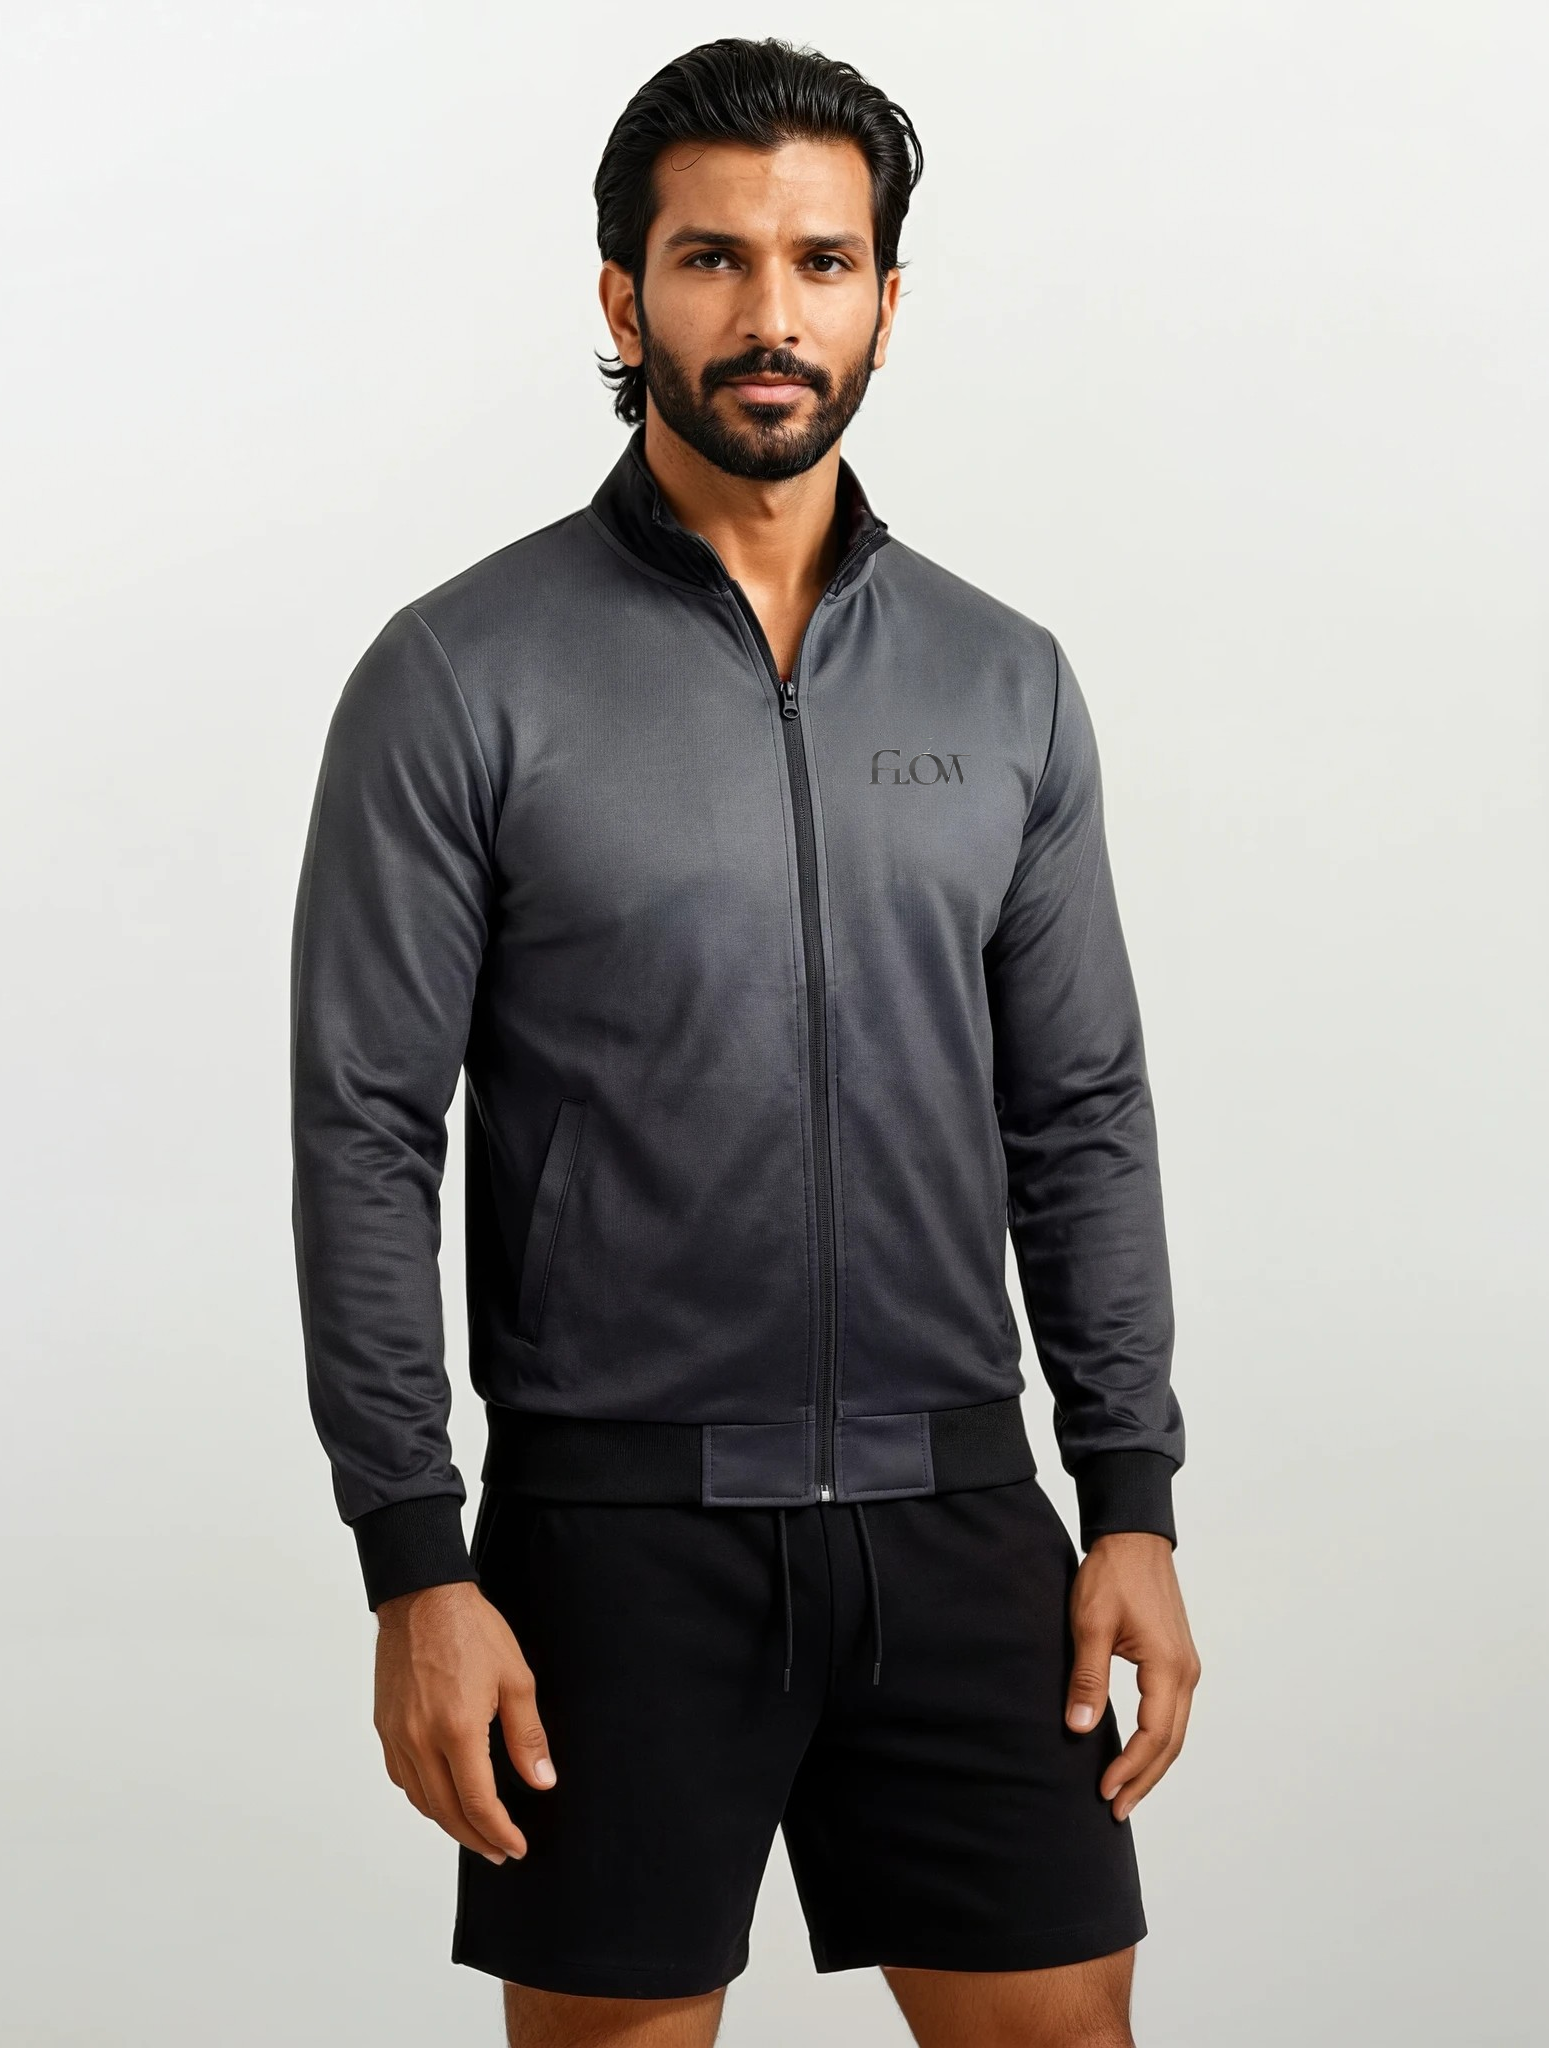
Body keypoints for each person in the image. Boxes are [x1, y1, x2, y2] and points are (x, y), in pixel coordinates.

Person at [289, 35, 1200, 2048]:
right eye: (712, 259)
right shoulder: (461, 674)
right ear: (626, 298)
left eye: (820, 260)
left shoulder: (1003, 680)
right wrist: (411, 1560)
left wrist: (1128, 1495)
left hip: (959, 1516)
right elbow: (365, 1127)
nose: (770, 313)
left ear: (886, 297)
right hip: (612, 1542)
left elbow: (1077, 1112)